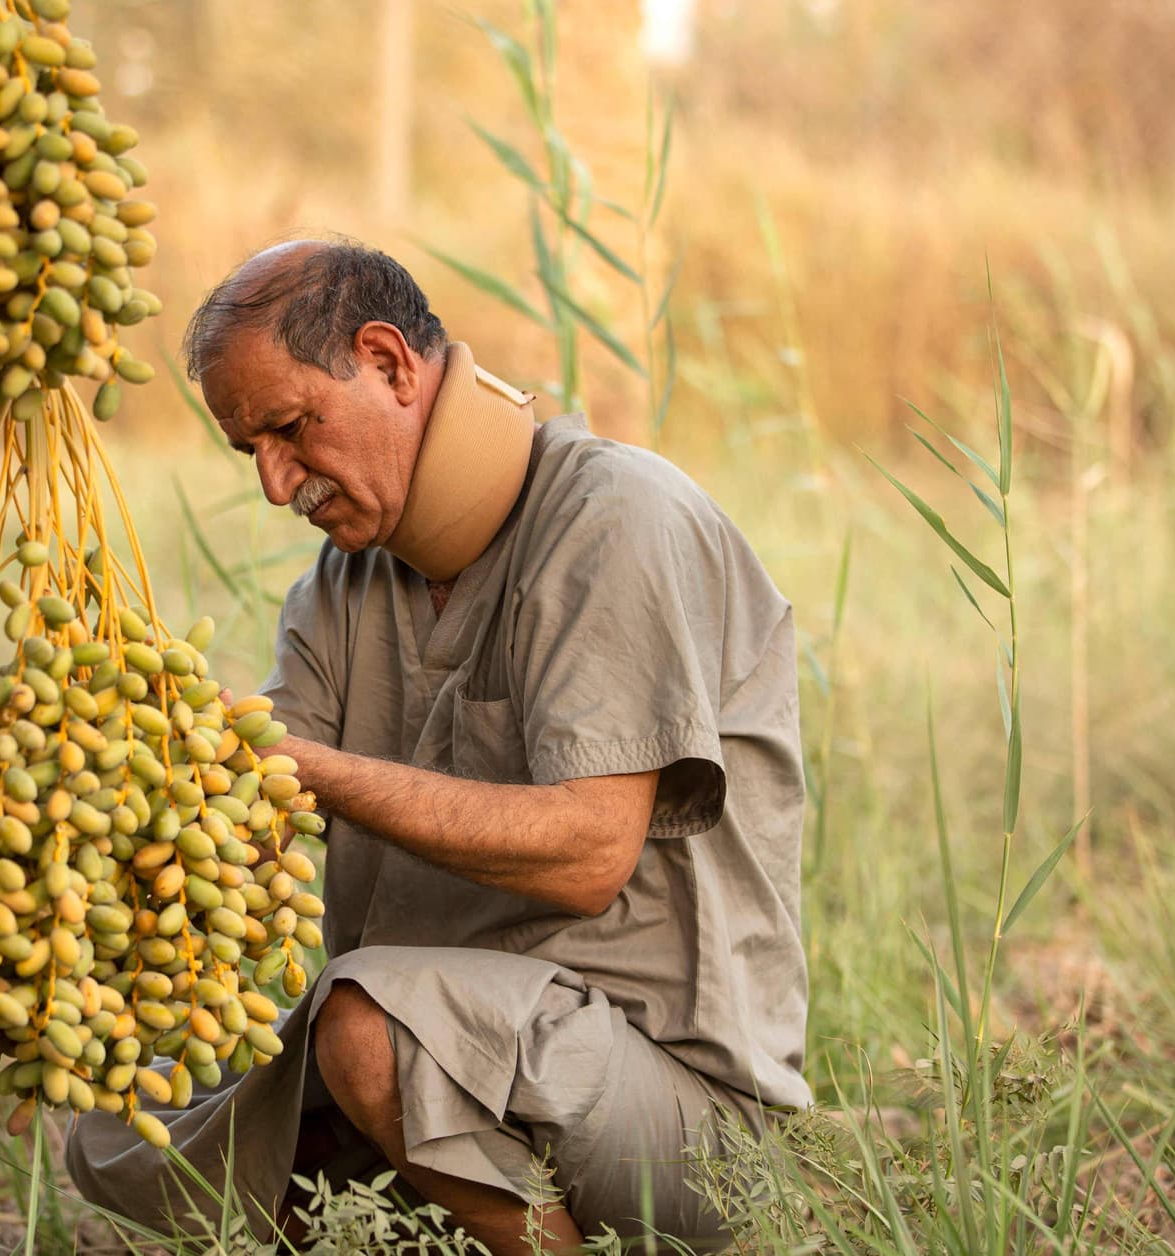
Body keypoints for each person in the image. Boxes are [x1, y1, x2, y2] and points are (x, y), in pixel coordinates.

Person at [66, 239, 811, 1253]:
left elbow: (590, 852)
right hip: (454, 1081)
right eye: (253, 453)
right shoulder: (338, 590)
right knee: (124, 1124)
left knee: (365, 1026)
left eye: (291, 430)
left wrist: (307, 771)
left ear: (388, 362)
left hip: (677, 1116)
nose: (279, 485)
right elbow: (246, 816)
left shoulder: (618, 518)